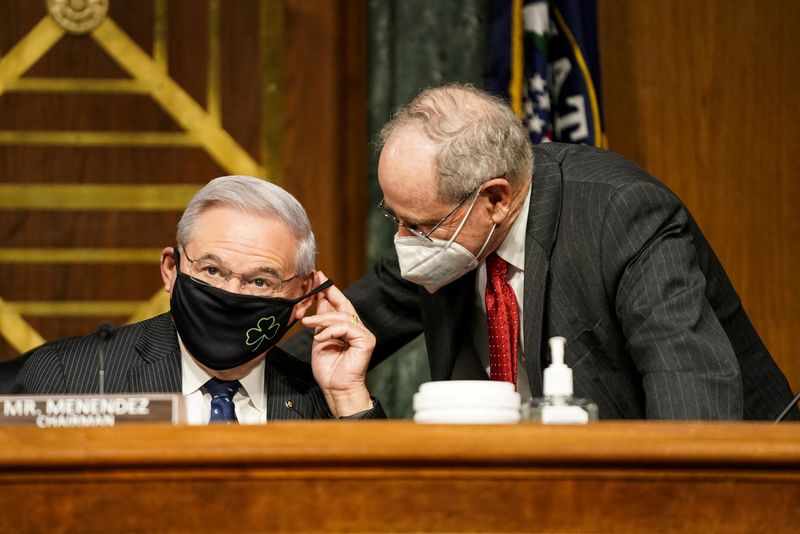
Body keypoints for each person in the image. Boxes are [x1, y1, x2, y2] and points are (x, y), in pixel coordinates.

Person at [285, 83, 798, 420]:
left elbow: (694, 402)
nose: (404, 241)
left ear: (496, 198)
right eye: (395, 217)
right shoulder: (447, 235)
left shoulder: (622, 217)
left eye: (419, 224)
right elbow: (334, 335)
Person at [14, 175, 384, 422]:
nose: (231, 294)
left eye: (259, 281)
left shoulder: (325, 402)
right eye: (211, 271)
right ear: (171, 270)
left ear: (302, 297)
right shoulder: (68, 376)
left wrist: (346, 395)